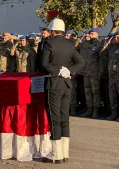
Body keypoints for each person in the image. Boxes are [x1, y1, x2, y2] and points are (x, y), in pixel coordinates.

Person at [41, 18, 85, 163]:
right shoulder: (70, 44)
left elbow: (44, 64)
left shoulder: (49, 43)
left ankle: (56, 155)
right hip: (67, 84)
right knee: (64, 118)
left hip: (54, 84)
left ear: (53, 31)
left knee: (55, 119)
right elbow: (81, 62)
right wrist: (69, 70)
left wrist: (57, 71)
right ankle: (65, 153)